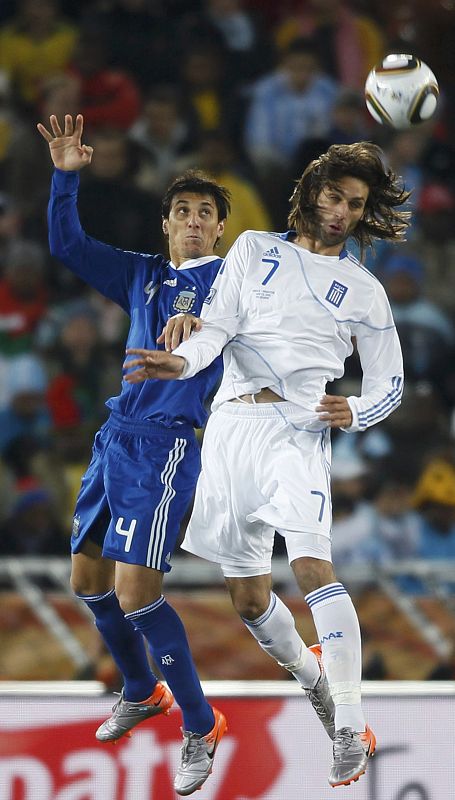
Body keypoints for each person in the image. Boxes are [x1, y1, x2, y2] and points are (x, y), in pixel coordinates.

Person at [124, 141, 410, 787]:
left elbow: (389, 383)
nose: (341, 211)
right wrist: (182, 360)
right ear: (311, 193)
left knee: (311, 565)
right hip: (231, 426)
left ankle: (347, 727)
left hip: (298, 428)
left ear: (363, 214)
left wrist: (356, 411)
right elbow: (218, 328)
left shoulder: (364, 290)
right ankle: (315, 682)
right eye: (334, 197)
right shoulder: (253, 247)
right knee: (248, 597)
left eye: (355, 205)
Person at [37, 113, 231, 797]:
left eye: (204, 213)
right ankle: (143, 688)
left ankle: (200, 724)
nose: (191, 220)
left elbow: (238, 325)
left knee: (135, 594)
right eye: (181, 210)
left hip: (166, 448)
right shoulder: (143, 275)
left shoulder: (231, 287)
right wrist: (66, 176)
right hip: (114, 439)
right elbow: (67, 244)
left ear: (218, 229)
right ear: (166, 224)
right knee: (85, 579)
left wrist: (205, 324)